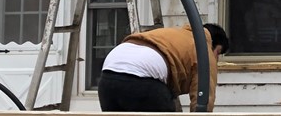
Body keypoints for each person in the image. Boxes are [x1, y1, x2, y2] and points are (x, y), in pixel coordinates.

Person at [97, 23, 229, 112]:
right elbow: (203, 97)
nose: (216, 60)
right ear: (213, 43)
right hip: (142, 80)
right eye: (218, 53)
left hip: (108, 75)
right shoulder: (203, 47)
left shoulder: (172, 34)